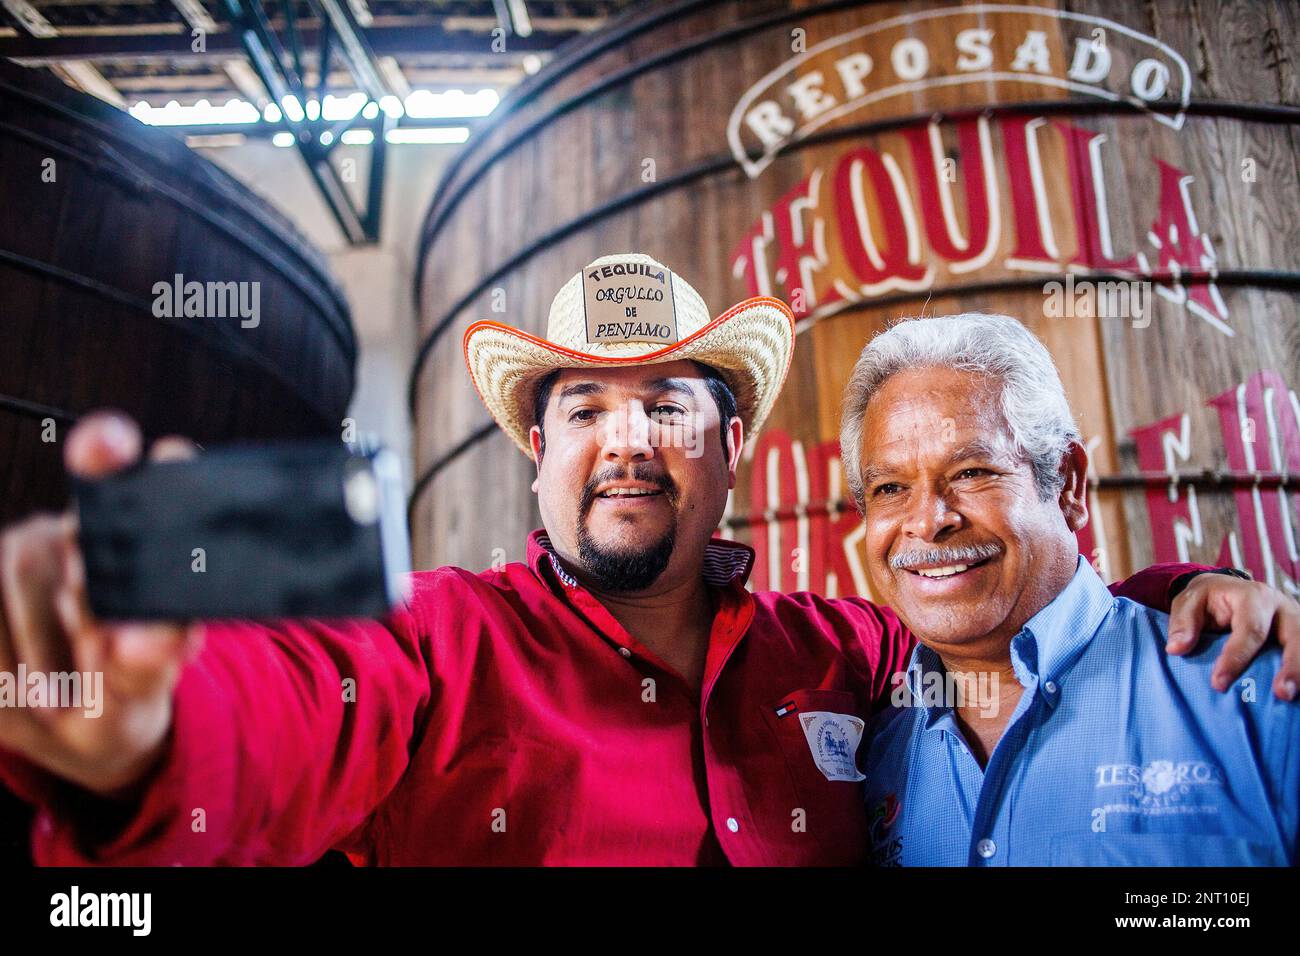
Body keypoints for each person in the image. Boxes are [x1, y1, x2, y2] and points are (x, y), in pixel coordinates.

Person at [0, 256, 1293, 866]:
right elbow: (284, 714)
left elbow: (999, 608)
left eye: (667, 404)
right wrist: (150, 739)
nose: (625, 441)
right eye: (582, 410)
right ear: (536, 456)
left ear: (729, 448)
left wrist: (1172, 597)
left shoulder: (846, 654)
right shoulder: (433, 641)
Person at [849, 313, 1300, 866]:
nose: (928, 521)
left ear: (1067, 482)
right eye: (890, 487)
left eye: (971, 472)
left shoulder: (1258, 688)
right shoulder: (868, 756)